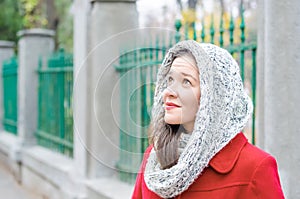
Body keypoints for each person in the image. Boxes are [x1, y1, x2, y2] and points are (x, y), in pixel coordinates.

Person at [131, 40, 285, 199]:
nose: (168, 92)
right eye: (170, 80)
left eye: (186, 82)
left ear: (215, 96)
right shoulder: (154, 157)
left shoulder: (254, 168)